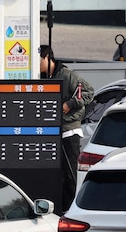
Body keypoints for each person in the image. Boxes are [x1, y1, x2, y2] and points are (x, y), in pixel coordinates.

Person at [39, 45, 94, 213]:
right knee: (55, 175)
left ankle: (69, 209)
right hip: (51, 133)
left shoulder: (67, 75)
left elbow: (88, 92)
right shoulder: (41, 77)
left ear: (47, 58)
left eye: (39, 60)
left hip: (69, 132)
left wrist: (69, 104)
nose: (37, 64)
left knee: (70, 175)